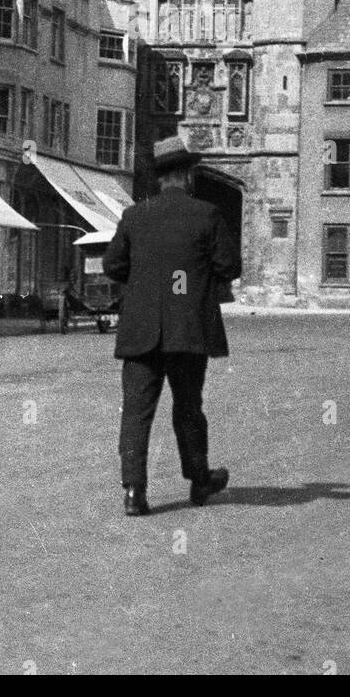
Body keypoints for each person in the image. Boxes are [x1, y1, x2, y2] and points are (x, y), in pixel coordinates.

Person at [102, 135, 242, 517]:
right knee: (188, 408)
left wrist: (147, 279)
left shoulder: (134, 215)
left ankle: (134, 491)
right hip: (188, 331)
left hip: (140, 330)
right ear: (188, 175)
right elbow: (230, 266)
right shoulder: (207, 214)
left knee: (135, 413)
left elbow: (112, 265)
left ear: (159, 177)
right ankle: (199, 480)